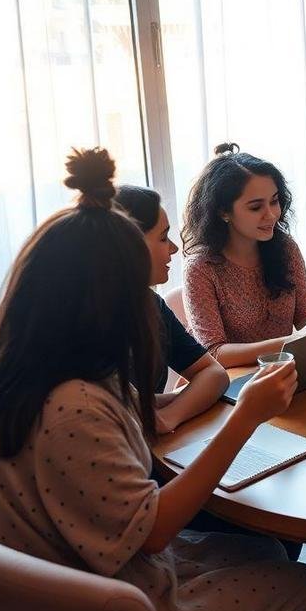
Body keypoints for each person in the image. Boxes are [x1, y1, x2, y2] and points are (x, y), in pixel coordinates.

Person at [0, 148, 306, 611]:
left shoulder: (33, 368)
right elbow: (153, 531)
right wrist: (246, 415)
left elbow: (140, 407)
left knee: (271, 548)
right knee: (300, 581)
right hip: (103, 600)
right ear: (108, 289)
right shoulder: (71, 406)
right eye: (163, 240)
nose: (172, 252)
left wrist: (169, 406)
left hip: (71, 570)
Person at [181, 144, 306, 368]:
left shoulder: (286, 248)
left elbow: (305, 315)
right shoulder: (201, 267)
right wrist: (290, 341)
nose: (271, 215)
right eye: (255, 207)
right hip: (232, 383)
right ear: (223, 212)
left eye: (274, 201)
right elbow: (214, 352)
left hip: (282, 370)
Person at [114, 185, 228, 434]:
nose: (174, 249)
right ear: (130, 246)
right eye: (164, 237)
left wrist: (168, 417)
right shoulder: (87, 328)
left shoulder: (150, 304)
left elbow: (214, 373)